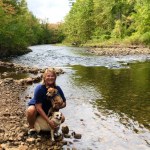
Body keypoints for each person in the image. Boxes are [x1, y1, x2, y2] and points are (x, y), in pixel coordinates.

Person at [26, 68, 66, 134]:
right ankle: (31, 128)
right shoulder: (40, 88)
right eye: (48, 76)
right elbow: (38, 108)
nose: (50, 78)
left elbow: (65, 103)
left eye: (52, 76)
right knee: (31, 110)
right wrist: (48, 121)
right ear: (44, 77)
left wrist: (60, 106)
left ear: (55, 78)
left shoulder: (58, 89)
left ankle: (52, 129)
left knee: (62, 118)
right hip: (38, 109)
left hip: (49, 110)